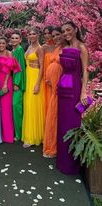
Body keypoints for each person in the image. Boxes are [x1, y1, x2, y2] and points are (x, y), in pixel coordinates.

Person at [56, 21, 89, 175]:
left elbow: (85, 72)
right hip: (62, 88)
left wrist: (83, 93)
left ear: (76, 29)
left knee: (71, 123)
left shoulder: (81, 47)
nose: (66, 33)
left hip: (75, 88)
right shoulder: (65, 47)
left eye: (68, 29)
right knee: (62, 124)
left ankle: (71, 165)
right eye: (63, 31)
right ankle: (62, 161)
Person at [43, 27, 65, 158]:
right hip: (53, 85)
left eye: (58, 34)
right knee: (52, 113)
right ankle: (51, 144)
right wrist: (48, 78)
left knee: (55, 113)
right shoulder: (57, 48)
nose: (56, 37)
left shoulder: (68, 48)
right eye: (54, 35)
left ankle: (55, 146)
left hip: (61, 85)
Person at [0, 37, 21, 143]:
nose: (1, 45)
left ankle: (8, 135)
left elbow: (9, 70)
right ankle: (0, 133)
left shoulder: (9, 54)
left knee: (6, 109)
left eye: (3, 43)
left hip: (6, 82)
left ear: (6, 44)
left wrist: (5, 84)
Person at [22, 27, 45, 148]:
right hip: (28, 76)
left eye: (34, 34)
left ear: (38, 35)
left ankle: (33, 137)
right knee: (28, 105)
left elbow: (42, 67)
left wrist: (37, 84)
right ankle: (29, 134)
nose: (31, 35)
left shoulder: (40, 49)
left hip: (35, 77)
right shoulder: (29, 47)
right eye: (29, 34)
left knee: (33, 106)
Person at [11, 31, 26, 140]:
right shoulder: (13, 50)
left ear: (20, 39)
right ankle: (16, 132)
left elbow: (19, 68)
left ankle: (19, 133)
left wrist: (17, 83)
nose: (14, 40)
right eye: (13, 38)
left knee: (17, 106)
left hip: (17, 82)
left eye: (17, 38)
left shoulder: (20, 50)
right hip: (11, 80)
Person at [42, 26, 55, 116]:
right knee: (46, 100)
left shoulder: (59, 46)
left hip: (56, 77)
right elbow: (41, 64)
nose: (47, 35)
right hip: (45, 78)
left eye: (48, 33)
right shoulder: (43, 47)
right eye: (45, 33)